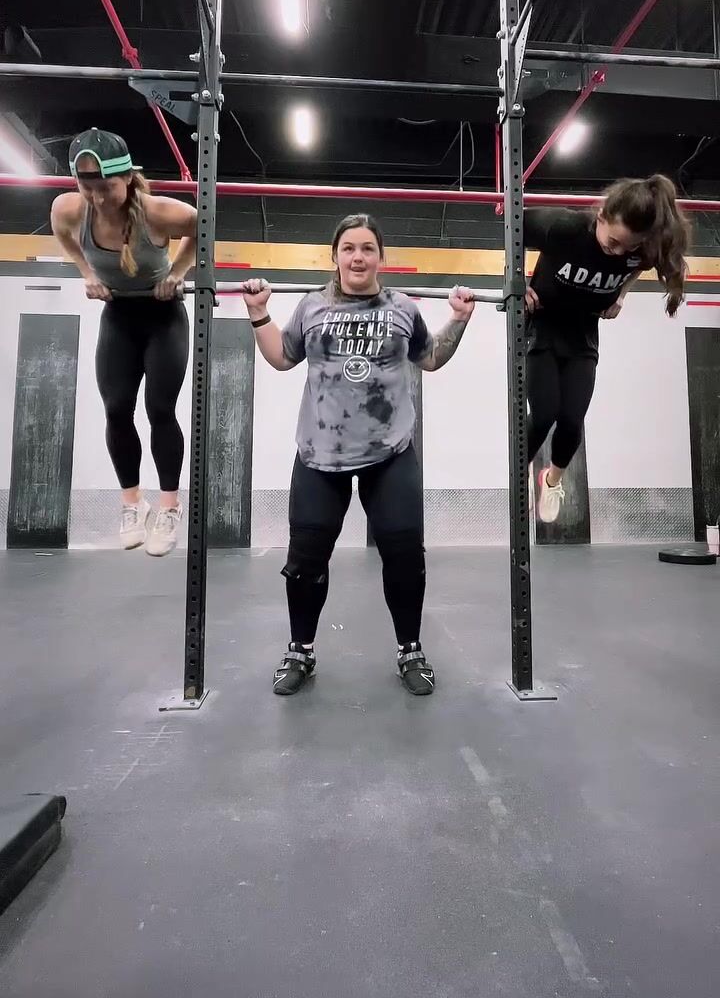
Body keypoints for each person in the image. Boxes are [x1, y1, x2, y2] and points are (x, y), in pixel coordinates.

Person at [242, 213, 475, 697]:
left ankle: (410, 650)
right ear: (335, 256)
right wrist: (258, 312)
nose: (358, 257)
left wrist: (459, 318)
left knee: (405, 557)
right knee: (306, 562)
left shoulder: (403, 308)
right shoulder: (311, 307)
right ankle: (300, 650)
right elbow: (282, 358)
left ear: (380, 258)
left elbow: (430, 358)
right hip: (319, 455)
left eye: (368, 248)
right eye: (349, 248)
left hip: (390, 452)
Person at [50, 127, 197, 555]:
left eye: (106, 186)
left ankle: (169, 508)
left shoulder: (158, 213)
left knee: (160, 409)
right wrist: (87, 274)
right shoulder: (69, 210)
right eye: (87, 186)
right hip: (119, 316)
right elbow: (66, 240)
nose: (96, 196)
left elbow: (204, 223)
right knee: (116, 409)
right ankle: (132, 503)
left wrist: (176, 274)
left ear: (128, 177)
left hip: (162, 315)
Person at [524, 174, 689, 522]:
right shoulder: (563, 227)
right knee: (544, 413)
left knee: (572, 419)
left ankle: (551, 479)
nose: (619, 252)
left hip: (583, 333)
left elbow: (641, 265)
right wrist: (515, 285)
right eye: (614, 241)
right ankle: (519, 472)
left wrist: (622, 295)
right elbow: (507, 223)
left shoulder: (640, 248)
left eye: (628, 247)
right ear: (600, 216)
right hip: (543, 325)